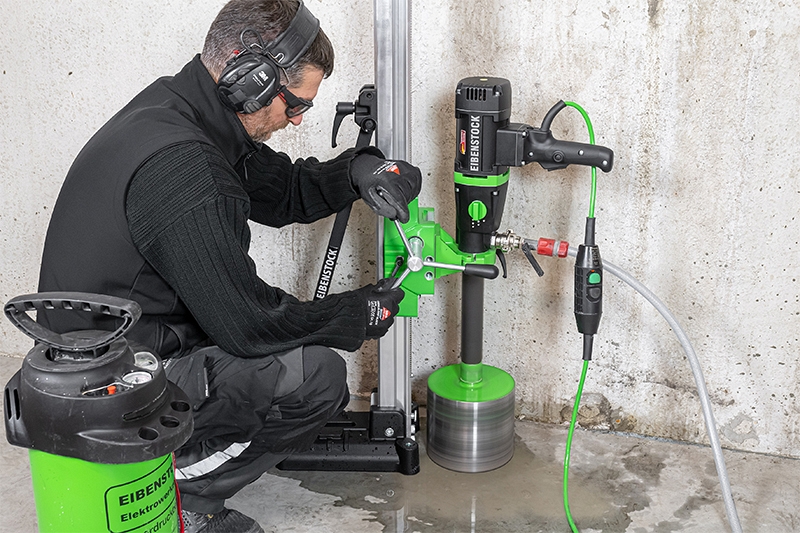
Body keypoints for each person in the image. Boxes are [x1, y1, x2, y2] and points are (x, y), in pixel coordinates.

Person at [36, 1, 422, 532]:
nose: (298, 119)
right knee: (315, 377)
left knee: (282, 348)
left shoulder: (183, 112)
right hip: (111, 388)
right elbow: (249, 326)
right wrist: (355, 314)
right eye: (294, 104)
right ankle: (176, 496)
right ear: (252, 77)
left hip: (106, 356)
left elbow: (284, 192)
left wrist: (361, 170)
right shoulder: (185, 168)